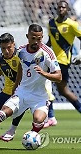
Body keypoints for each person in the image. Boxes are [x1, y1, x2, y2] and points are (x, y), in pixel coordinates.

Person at [44, 0, 81, 128]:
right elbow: (50, 40)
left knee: (45, 85)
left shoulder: (72, 24)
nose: (61, 9)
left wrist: (80, 54)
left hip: (63, 62)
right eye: (59, 7)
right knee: (63, 91)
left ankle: (51, 117)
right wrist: (41, 50)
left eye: (63, 7)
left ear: (67, 10)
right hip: (53, 60)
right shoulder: (51, 23)